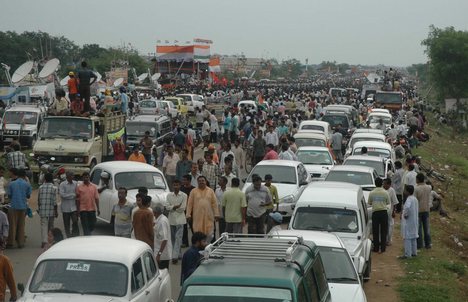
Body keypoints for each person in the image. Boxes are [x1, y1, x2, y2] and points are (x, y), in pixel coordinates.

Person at [186, 176, 220, 243]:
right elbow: (190, 204)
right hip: (197, 217)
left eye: (203, 180)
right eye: (200, 181)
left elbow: (214, 204)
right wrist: (188, 214)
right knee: (198, 234)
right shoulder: (193, 191)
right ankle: (200, 248)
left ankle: (207, 247)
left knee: (210, 234)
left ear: (205, 181)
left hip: (208, 216)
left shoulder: (210, 191)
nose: (201, 182)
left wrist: (216, 214)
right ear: (197, 182)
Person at [6, 168, 31, 248]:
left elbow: (9, 195)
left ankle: (11, 242)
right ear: (24, 176)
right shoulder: (27, 184)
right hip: (23, 206)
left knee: (12, 225)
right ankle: (21, 243)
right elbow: (28, 195)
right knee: (21, 225)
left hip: (13, 206)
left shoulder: (12, 183)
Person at [166, 180, 187, 265]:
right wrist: (175, 206)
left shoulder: (184, 195)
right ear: (172, 186)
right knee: (173, 238)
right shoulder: (169, 195)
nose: (176, 187)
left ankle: (174, 256)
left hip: (180, 219)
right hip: (171, 220)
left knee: (178, 238)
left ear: (180, 185)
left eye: (177, 185)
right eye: (174, 185)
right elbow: (167, 207)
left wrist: (172, 208)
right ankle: (178, 254)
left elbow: (183, 208)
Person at [368, 177, 390, 253]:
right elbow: (388, 202)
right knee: (384, 231)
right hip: (384, 212)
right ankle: (383, 248)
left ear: (375, 183)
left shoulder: (372, 192)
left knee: (375, 231)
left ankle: (376, 248)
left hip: (375, 213)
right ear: (382, 184)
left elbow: (370, 203)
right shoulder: (385, 192)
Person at [37, 173, 58, 248]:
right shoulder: (54, 188)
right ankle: (51, 240)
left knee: (44, 225)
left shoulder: (40, 187)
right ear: (52, 179)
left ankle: (44, 241)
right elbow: (55, 201)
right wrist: (56, 211)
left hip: (43, 209)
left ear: (45, 179)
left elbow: (39, 200)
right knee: (51, 225)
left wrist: (39, 208)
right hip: (51, 210)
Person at [76, 172, 100, 236]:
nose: (86, 178)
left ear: (89, 178)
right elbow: (77, 200)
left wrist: (98, 208)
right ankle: (87, 236)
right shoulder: (79, 187)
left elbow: (96, 198)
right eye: (84, 177)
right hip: (83, 209)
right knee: (85, 226)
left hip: (92, 209)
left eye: (87, 177)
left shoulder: (94, 187)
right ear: (82, 178)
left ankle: (88, 233)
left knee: (93, 224)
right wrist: (78, 210)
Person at [400, 185, 419, 259]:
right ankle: (414, 252)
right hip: (414, 221)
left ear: (407, 191)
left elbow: (407, 207)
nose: (404, 191)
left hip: (408, 221)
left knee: (407, 237)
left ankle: (408, 254)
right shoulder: (415, 199)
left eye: (405, 190)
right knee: (413, 237)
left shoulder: (409, 199)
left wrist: (405, 214)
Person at [414, 173, 432, 249]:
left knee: (419, 229)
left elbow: (414, 199)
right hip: (426, 209)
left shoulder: (416, 188)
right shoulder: (429, 187)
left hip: (418, 210)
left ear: (417, 179)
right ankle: (428, 244)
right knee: (426, 228)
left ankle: (419, 244)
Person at [59, 171, 79, 237]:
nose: (72, 177)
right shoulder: (62, 184)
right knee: (66, 224)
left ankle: (74, 234)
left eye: (73, 175)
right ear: (67, 177)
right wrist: (73, 195)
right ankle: (68, 236)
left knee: (75, 221)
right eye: (71, 176)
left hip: (74, 207)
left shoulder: (76, 183)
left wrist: (70, 196)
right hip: (65, 208)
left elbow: (78, 194)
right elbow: (62, 195)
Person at [153, 203, 172, 270]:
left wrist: (159, 254)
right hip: (159, 253)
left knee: (162, 273)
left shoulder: (162, 221)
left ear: (155, 212)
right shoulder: (159, 219)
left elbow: (165, 239)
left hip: (162, 255)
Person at [0, 237, 17, 302]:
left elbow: (10, 280)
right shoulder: (4, 260)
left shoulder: (4, 260)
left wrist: (13, 295)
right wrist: (14, 295)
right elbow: (10, 280)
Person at [383, 178, 399, 246]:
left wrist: (394, 212)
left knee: (390, 226)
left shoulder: (392, 190)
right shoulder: (382, 190)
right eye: (383, 184)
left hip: (390, 211)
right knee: (383, 226)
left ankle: (388, 240)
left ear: (389, 184)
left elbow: (395, 202)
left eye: (385, 184)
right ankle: (383, 239)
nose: (384, 185)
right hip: (383, 211)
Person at [181, 174, 195, 247]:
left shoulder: (194, 189)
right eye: (183, 180)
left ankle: (195, 242)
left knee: (193, 227)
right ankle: (185, 242)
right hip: (183, 210)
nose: (183, 181)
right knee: (184, 227)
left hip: (192, 211)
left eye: (185, 180)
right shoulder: (181, 189)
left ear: (189, 181)